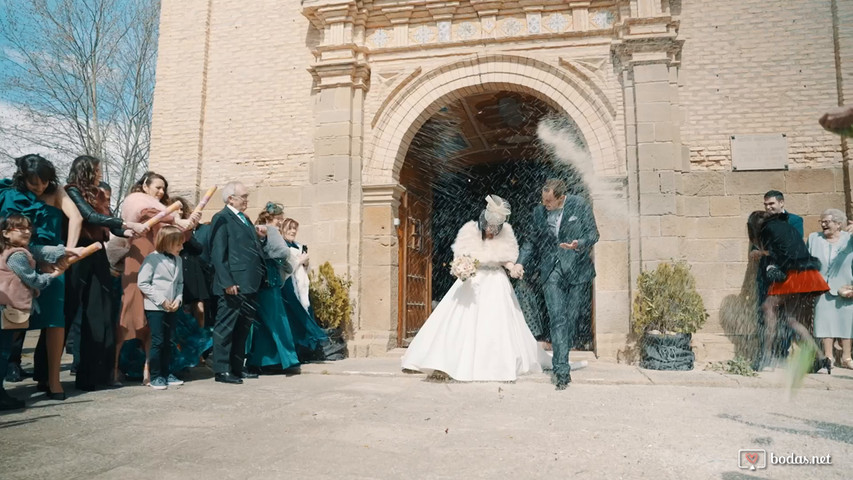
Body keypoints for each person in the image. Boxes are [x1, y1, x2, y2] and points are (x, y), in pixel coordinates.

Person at [401, 195, 550, 382]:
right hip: (473, 281)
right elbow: (461, 256)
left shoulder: (507, 233)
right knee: (458, 320)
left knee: (497, 322)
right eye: (488, 227)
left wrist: (513, 268)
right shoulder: (469, 231)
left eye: (495, 229)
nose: (491, 231)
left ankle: (496, 364)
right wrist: (461, 268)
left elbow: (507, 258)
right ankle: (443, 360)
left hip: (496, 281)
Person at [0, 154, 82, 399]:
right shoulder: (7, 194)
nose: (40, 187)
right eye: (34, 183)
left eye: (44, 182)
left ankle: (54, 380)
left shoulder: (58, 192)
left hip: (53, 260)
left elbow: (76, 218)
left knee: (54, 321)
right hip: (15, 261)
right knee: (11, 321)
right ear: (22, 177)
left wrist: (67, 253)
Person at [65, 155, 148, 390]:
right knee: (69, 314)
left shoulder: (99, 195)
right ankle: (47, 374)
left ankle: (97, 376)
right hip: (78, 253)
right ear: (86, 171)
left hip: (97, 254)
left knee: (100, 314)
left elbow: (107, 225)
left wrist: (127, 232)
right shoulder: (71, 191)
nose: (101, 174)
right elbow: (89, 217)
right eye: (97, 170)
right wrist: (128, 224)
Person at [511, 179, 599, 390]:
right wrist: (520, 262)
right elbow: (531, 241)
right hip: (551, 270)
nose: (545, 205)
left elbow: (593, 234)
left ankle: (562, 356)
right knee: (557, 318)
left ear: (561, 197)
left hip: (577, 270)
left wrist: (579, 244)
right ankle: (561, 371)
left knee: (570, 318)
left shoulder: (579, 205)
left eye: (549, 201)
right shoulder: (538, 212)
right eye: (543, 200)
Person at [116, 171, 199, 385]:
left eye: (164, 188)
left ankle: (150, 371)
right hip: (138, 259)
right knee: (130, 315)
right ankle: (113, 367)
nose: (161, 192)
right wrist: (173, 215)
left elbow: (176, 233)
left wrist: (187, 223)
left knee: (157, 324)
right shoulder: (135, 201)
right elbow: (141, 215)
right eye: (157, 187)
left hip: (163, 264)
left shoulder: (166, 210)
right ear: (144, 185)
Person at [0, 214, 71, 408]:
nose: (26, 231)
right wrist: (56, 274)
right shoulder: (17, 255)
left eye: (28, 228)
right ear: (5, 233)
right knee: (3, 351)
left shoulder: (9, 252)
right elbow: (33, 280)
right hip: (7, 309)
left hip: (7, 308)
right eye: (20, 228)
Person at [748, 210, 830, 372]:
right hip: (807, 273)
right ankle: (821, 358)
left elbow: (780, 252)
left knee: (768, 307)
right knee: (792, 319)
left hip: (794, 274)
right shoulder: (783, 225)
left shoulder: (767, 229)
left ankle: (767, 356)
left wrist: (762, 253)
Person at [209, 181, 266, 384]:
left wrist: (260, 238)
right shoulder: (221, 218)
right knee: (226, 327)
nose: (246, 200)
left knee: (243, 327)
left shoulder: (244, 219)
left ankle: (236, 367)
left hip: (249, 282)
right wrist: (227, 281)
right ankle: (222, 369)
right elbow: (218, 253)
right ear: (231, 198)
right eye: (244, 196)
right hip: (233, 284)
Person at [749, 190, 802, 365]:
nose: (768, 207)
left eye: (771, 204)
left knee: (788, 317)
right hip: (765, 276)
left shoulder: (795, 221)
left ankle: (783, 353)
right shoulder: (761, 221)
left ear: (782, 203)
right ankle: (766, 354)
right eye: (766, 204)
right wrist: (755, 252)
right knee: (764, 314)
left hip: (787, 276)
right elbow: (755, 244)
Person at [246, 206, 299, 373]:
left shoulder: (256, 230)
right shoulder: (271, 230)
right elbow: (282, 252)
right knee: (278, 321)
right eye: (279, 218)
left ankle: (263, 361)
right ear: (270, 218)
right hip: (269, 281)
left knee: (263, 323)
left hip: (261, 281)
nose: (281, 221)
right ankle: (287, 360)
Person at [137, 225, 185, 390]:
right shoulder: (152, 258)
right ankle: (156, 375)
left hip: (173, 307)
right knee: (158, 340)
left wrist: (178, 300)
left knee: (170, 341)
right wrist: (162, 300)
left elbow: (179, 283)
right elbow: (143, 282)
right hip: (156, 307)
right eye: (179, 244)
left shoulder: (178, 259)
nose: (182, 247)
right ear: (168, 242)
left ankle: (168, 372)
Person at [807, 209, 853, 369]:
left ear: (839, 224)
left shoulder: (850, 239)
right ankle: (828, 357)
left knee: (846, 322)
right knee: (825, 322)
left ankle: (846, 357)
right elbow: (808, 260)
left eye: (827, 221)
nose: (823, 224)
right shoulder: (814, 238)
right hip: (822, 288)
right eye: (822, 221)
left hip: (846, 286)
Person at [280, 217, 329, 361]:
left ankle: (307, 350)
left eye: (295, 228)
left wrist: (306, 264)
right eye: (290, 228)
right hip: (288, 285)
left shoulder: (299, 246)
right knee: (294, 317)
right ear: (283, 229)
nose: (293, 231)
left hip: (301, 286)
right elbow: (284, 268)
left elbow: (305, 269)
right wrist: (298, 261)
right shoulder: (282, 246)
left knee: (305, 313)